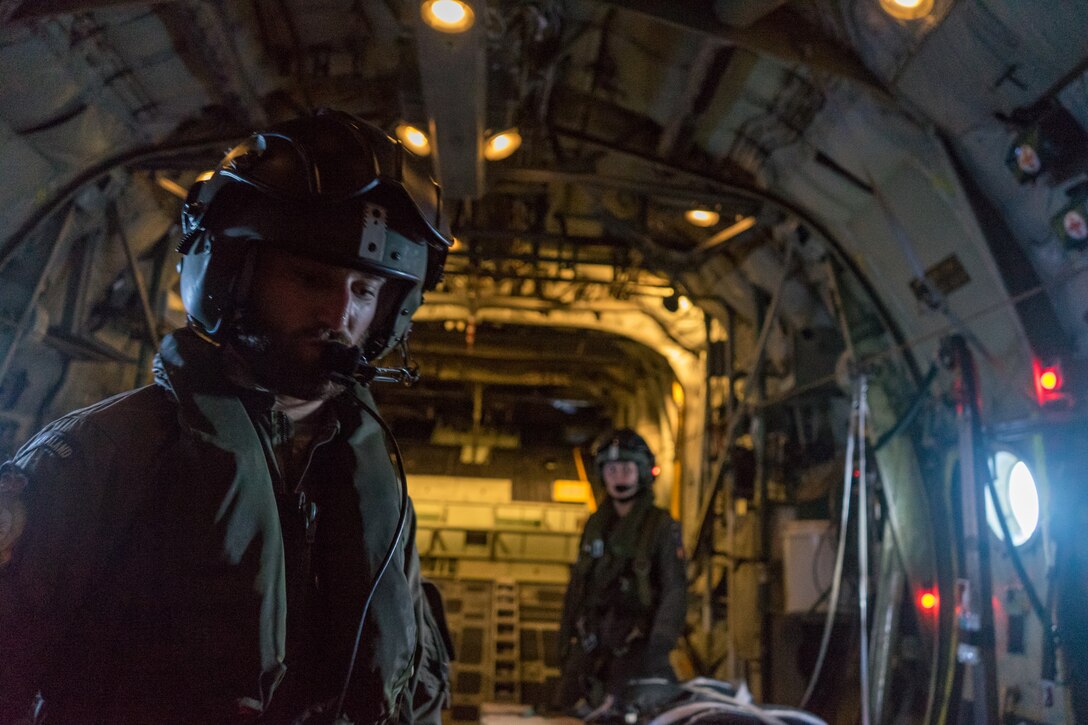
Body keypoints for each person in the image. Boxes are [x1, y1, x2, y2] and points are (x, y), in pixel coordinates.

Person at [0, 110, 452, 724]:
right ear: (232, 273)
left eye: (366, 292)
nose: (339, 313)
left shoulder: (376, 479)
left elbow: (412, 682)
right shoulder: (108, 452)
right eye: (310, 278)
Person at [556, 428, 687, 716]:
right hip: (593, 636)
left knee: (629, 706)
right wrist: (565, 638)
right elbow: (579, 583)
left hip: (636, 642)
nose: (619, 477)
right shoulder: (595, 525)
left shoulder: (661, 527)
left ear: (641, 473)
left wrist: (659, 644)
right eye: (612, 469)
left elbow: (675, 589)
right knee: (565, 703)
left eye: (626, 469)